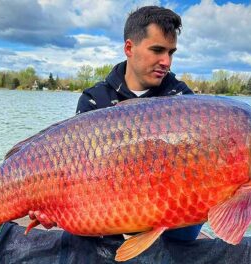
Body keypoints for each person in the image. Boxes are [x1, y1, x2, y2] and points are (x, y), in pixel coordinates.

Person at [75, 6, 202, 241]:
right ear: (129, 48)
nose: (166, 62)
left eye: (171, 52)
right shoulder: (95, 99)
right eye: (157, 50)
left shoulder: (182, 99)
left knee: (191, 220)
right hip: (108, 200)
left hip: (168, 207)